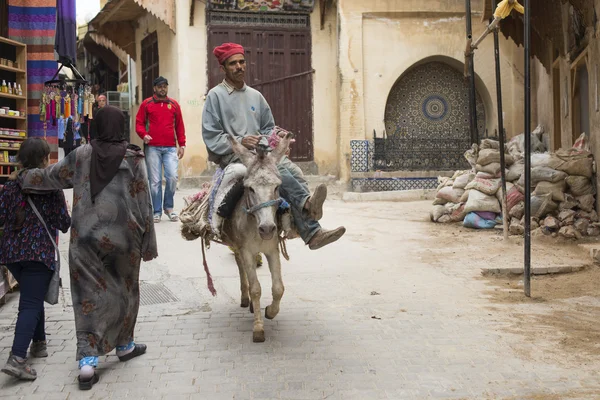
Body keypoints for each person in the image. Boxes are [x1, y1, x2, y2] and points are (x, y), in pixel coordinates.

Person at [16, 106, 158, 390]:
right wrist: (149, 242)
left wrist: (23, 176)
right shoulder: (134, 158)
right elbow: (146, 203)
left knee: (87, 298)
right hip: (126, 239)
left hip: (86, 240)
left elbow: (51, 176)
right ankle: (124, 345)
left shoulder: (81, 155)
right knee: (125, 291)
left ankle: (87, 362)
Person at [202, 43, 345, 250]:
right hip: (234, 154)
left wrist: (276, 138)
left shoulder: (255, 96)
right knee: (276, 173)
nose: (239, 66)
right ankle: (307, 207)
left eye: (242, 62)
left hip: (260, 152)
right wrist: (241, 140)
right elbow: (211, 134)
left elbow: (268, 127)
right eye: (233, 63)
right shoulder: (215, 96)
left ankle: (311, 231)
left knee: (293, 170)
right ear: (223, 68)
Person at [0, 138, 71, 381]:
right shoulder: (50, 187)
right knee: (30, 303)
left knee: (32, 295)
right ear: (44, 160)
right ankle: (17, 358)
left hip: (10, 254)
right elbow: (64, 224)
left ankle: (39, 343)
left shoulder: (9, 187)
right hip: (37, 254)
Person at [135, 76, 186, 223]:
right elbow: (139, 123)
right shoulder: (147, 104)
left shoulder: (174, 105)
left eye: (165, 86)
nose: (162, 88)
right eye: (160, 86)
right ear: (154, 88)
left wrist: (182, 144)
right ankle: (156, 211)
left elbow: (180, 126)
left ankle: (168, 207)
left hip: (170, 148)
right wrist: (143, 135)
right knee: (155, 181)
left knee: (172, 178)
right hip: (152, 148)